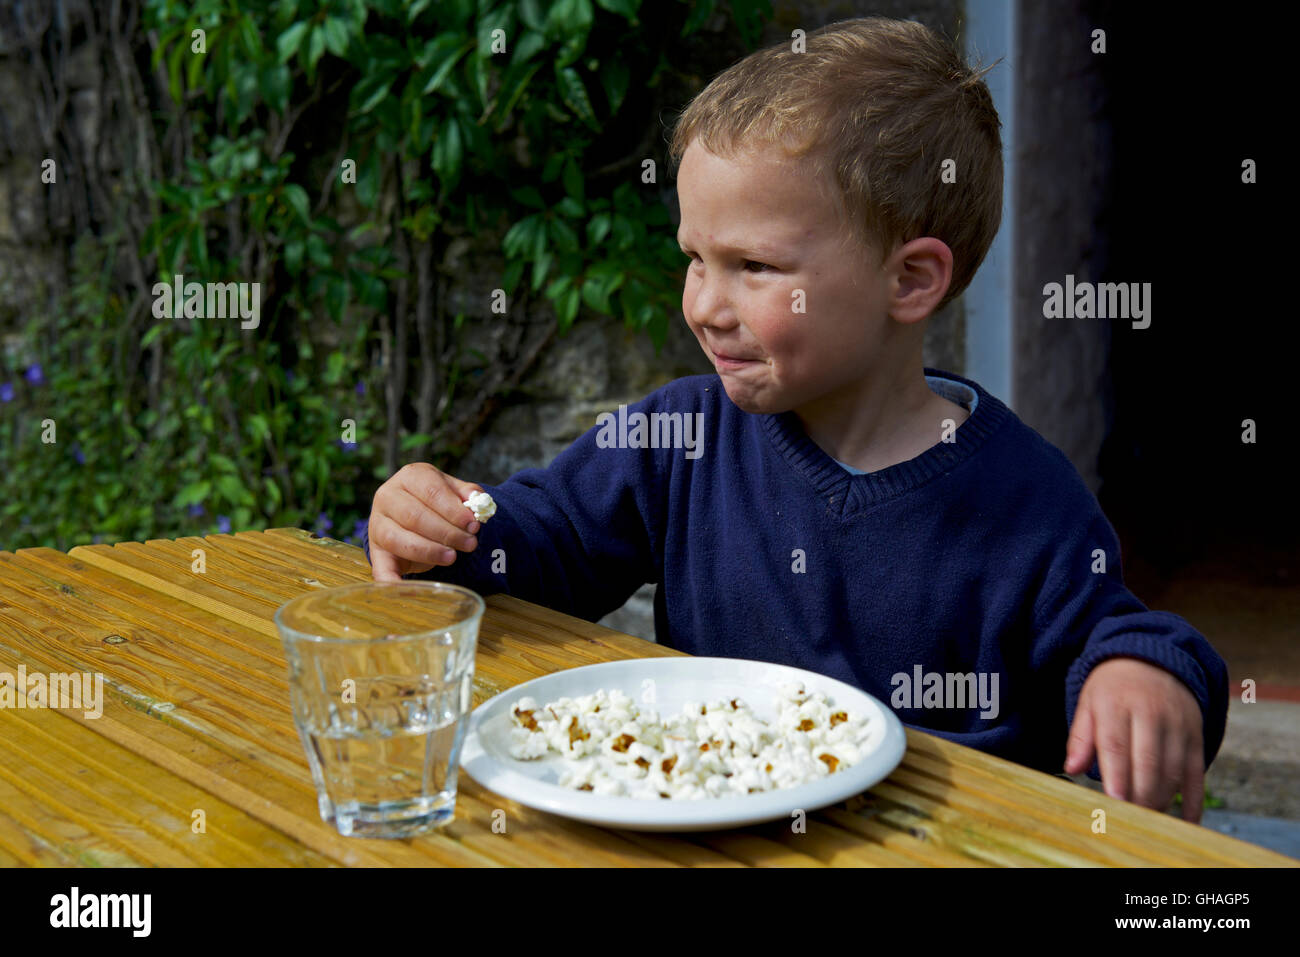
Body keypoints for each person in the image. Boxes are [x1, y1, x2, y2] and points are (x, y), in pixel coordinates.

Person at [361, 17, 1227, 822]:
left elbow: (1121, 630)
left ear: (911, 280)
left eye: (754, 266)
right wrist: (445, 525)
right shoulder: (678, 438)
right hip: (710, 827)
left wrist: (1141, 673)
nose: (705, 303)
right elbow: (540, 545)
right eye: (695, 258)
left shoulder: (1022, 496)